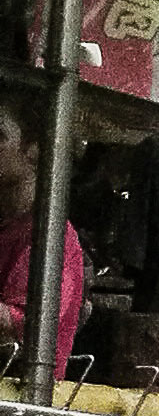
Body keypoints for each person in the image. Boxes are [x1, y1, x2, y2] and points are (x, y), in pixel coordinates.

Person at [0, 95, 86, 388]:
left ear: (35, 151)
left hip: (19, 400)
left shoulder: (50, 237)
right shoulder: (10, 227)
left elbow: (22, 323)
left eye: (0, 136)